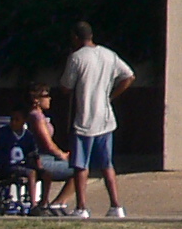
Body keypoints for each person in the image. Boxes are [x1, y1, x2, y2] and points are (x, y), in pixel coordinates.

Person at [57, 20, 133, 219]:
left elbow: (66, 87)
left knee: (81, 165)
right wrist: (111, 96)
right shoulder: (109, 55)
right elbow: (129, 76)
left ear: (75, 37)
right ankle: (116, 206)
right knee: (107, 164)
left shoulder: (76, 58)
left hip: (84, 118)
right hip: (106, 117)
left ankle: (82, 207)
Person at [16, 86, 74, 214]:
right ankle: (58, 203)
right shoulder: (36, 117)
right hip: (41, 160)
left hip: (46, 157)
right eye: (46, 96)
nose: (49, 98)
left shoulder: (39, 116)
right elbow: (48, 144)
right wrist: (62, 155)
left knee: (80, 168)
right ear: (36, 99)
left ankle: (57, 203)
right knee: (79, 170)